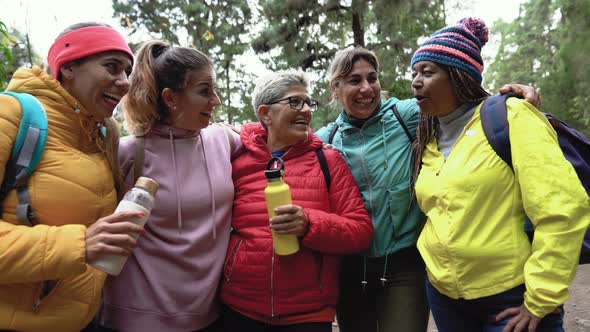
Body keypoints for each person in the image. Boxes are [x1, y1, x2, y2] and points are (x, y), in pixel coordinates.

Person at [315, 47, 541, 331]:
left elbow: (456, 103)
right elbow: (284, 152)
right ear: (335, 89)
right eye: (353, 81)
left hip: (403, 263)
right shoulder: (324, 140)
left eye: (372, 78)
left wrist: (509, 99)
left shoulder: (405, 115)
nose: (366, 88)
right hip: (350, 267)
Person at [410, 17, 590, 332]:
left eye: (427, 71)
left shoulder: (511, 117)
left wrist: (540, 300)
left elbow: (562, 208)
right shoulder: (427, 138)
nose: (415, 80)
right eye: (414, 72)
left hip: (510, 297)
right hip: (444, 297)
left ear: (458, 76)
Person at [0, 23, 144, 332]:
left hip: (84, 320)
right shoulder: (9, 114)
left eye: (127, 72)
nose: (124, 83)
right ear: (68, 68)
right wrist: (80, 245)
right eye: (112, 67)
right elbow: (87, 243)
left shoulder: (105, 133)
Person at [98, 40, 239, 332]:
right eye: (204, 91)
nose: (216, 100)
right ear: (171, 98)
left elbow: (269, 141)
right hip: (137, 316)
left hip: (210, 313)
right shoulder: (128, 152)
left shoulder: (222, 140)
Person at [220, 70, 374, 332]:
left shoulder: (328, 161)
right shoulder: (235, 161)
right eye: (294, 102)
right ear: (265, 113)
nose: (306, 110)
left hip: (308, 316)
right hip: (239, 309)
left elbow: (360, 231)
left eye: (308, 103)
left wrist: (309, 224)